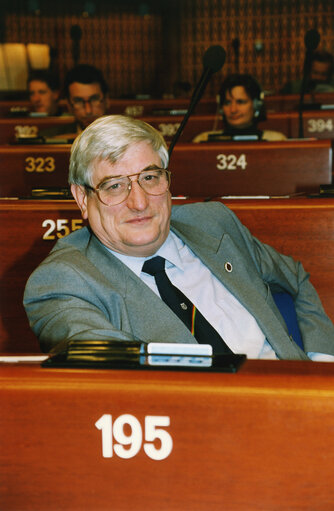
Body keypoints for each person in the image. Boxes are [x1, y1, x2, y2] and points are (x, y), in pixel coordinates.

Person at [24, 115, 334, 360]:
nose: (140, 202)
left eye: (149, 177)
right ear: (82, 199)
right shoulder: (63, 281)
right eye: (115, 186)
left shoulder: (214, 222)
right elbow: (118, 371)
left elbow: (295, 278)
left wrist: (321, 366)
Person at [193, 74, 287, 143]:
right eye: (227, 103)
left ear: (256, 105)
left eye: (240, 102)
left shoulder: (276, 140)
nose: (233, 110)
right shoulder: (203, 140)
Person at [41, 64, 109, 141]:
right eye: (79, 101)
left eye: (94, 99)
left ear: (107, 101)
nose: (88, 111)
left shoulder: (124, 137)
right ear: (69, 105)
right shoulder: (49, 138)